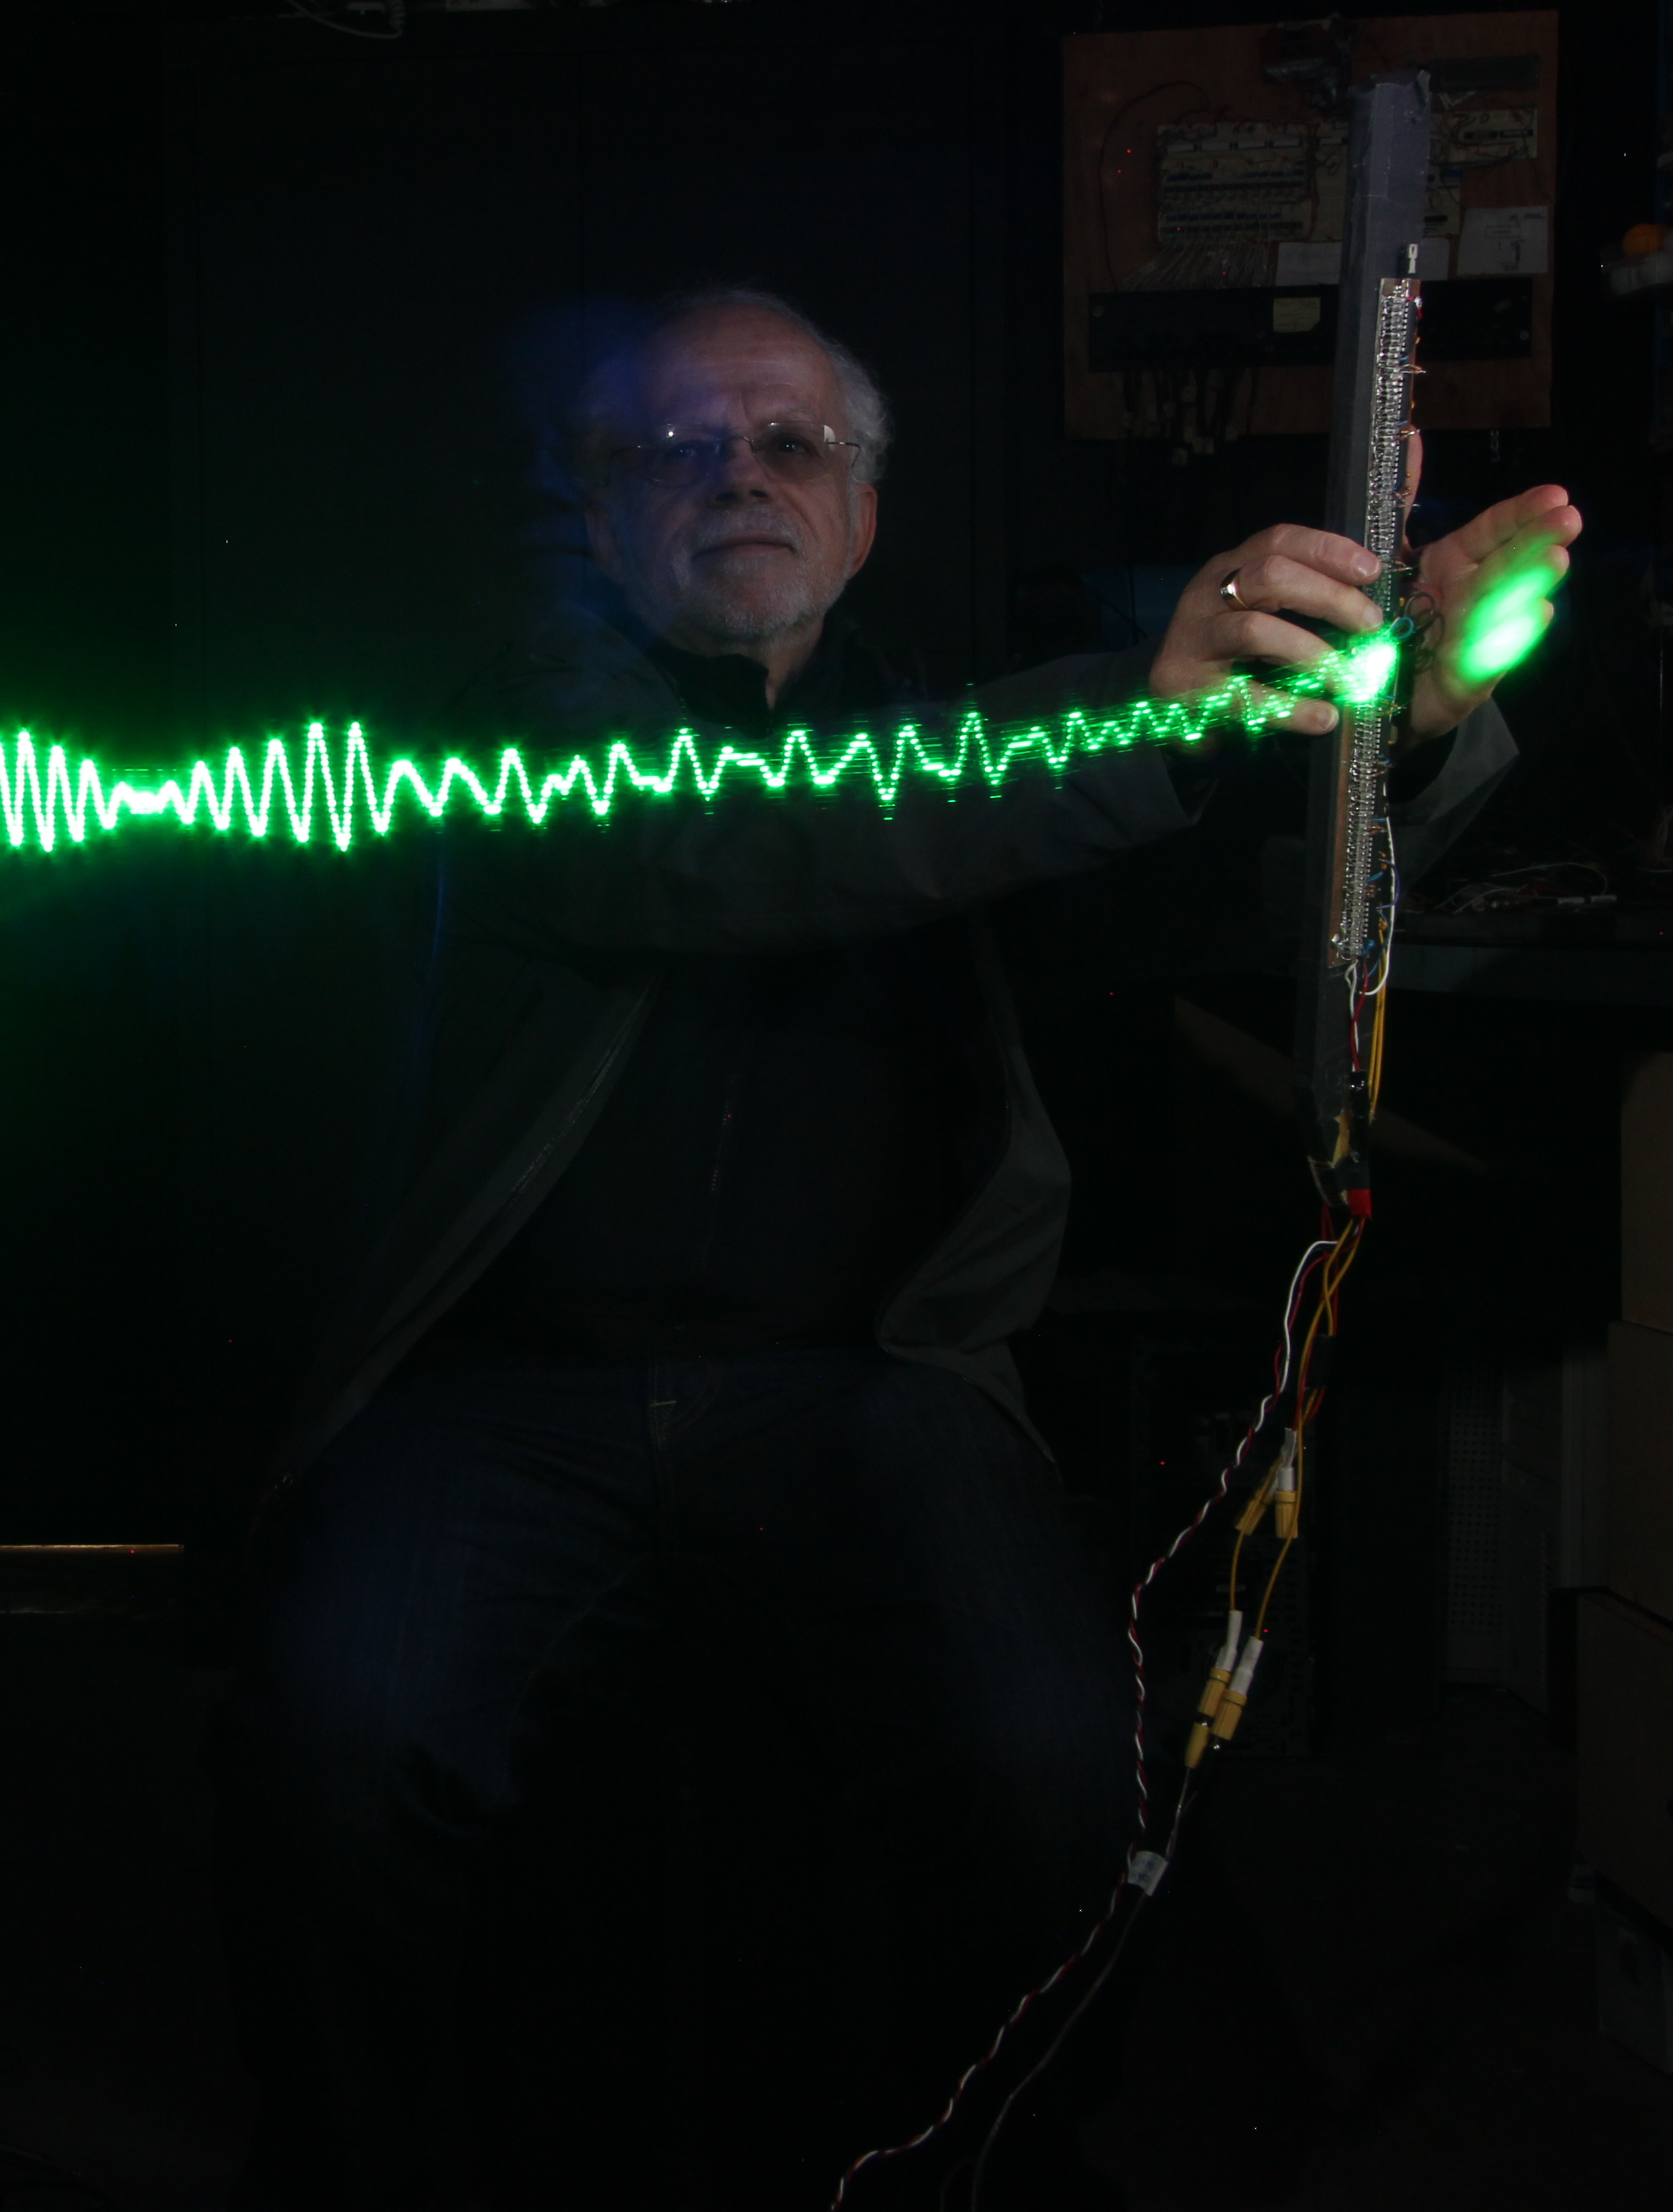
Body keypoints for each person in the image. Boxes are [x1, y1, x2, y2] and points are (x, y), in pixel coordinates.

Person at [210, 286, 1582, 2209]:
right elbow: (742, 844)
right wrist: (1139, 707)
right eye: (677, 448)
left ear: (864, 516)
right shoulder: (526, 725)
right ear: (596, 514)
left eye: (794, 444)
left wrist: (1408, 728)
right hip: (507, 1393)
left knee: (1049, 1763)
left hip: (869, 1388)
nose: (740, 476)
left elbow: (1250, 878)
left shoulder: (963, 739)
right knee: (340, 1745)